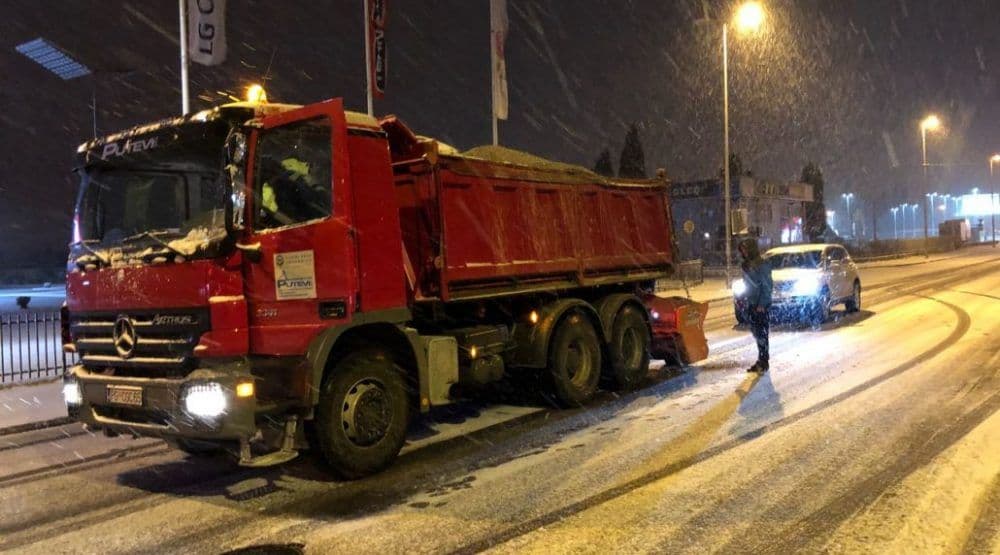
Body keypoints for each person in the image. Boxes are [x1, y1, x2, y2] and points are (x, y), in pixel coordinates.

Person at [738, 237, 773, 373]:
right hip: (751, 303)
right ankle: (761, 359)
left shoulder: (762, 264)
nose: (744, 253)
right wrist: (743, 298)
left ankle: (764, 361)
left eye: (746, 250)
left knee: (761, 333)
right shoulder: (747, 265)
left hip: (760, 305)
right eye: (742, 250)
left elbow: (767, 286)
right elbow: (748, 285)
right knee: (757, 333)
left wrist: (762, 304)